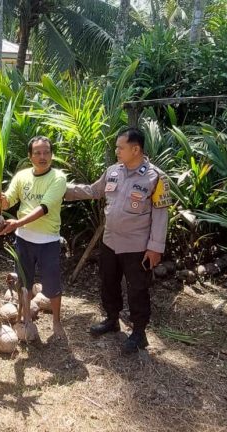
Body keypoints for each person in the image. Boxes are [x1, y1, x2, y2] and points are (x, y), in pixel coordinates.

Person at [64, 127, 171, 354]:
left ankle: (139, 333)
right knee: (108, 281)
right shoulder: (113, 171)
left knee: (137, 288)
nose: (116, 151)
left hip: (137, 246)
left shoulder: (156, 177)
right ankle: (112, 319)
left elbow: (161, 215)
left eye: (120, 147)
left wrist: (155, 247)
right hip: (110, 241)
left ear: (136, 149)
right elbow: (93, 190)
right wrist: (62, 190)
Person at [0, 136, 68, 339]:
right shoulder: (22, 176)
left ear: (52, 155)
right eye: (37, 152)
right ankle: (26, 317)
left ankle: (56, 321)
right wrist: (2, 200)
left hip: (48, 241)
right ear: (30, 156)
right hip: (23, 240)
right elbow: (10, 200)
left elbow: (44, 207)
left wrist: (17, 223)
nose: (42, 156)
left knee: (52, 285)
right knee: (23, 282)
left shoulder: (58, 178)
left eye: (46, 152)